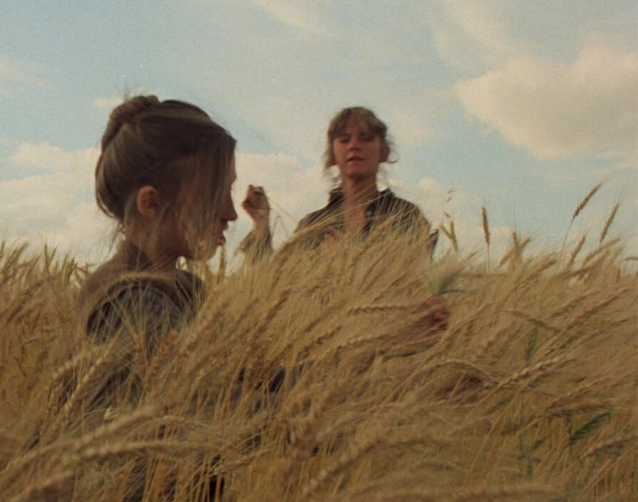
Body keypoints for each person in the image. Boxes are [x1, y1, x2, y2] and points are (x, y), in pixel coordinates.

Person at [78, 95, 238, 357]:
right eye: (215, 193)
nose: (231, 214)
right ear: (152, 203)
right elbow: (224, 393)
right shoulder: (130, 302)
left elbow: (250, 376)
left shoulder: (189, 288)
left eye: (230, 189)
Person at [239, 106, 434, 258]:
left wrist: (350, 261)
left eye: (365, 138)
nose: (354, 146)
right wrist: (262, 225)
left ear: (384, 152)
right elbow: (276, 289)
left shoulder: (406, 218)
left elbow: (415, 285)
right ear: (332, 155)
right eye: (344, 139)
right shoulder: (311, 226)